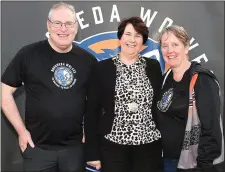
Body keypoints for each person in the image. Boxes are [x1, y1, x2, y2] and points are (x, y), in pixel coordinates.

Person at [1, 2, 97, 172]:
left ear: (76, 27)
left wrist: (88, 130)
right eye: (58, 23)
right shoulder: (28, 54)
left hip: (74, 150)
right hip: (37, 149)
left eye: (69, 24)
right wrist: (21, 131)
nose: (63, 29)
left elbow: (96, 102)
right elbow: (5, 91)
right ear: (48, 25)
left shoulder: (87, 60)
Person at [84, 16, 163, 172]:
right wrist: (92, 152)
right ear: (120, 37)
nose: (132, 40)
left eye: (138, 35)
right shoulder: (102, 69)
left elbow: (158, 106)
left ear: (143, 42)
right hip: (113, 148)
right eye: (128, 34)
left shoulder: (153, 67)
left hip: (149, 148)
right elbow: (91, 111)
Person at [156, 25, 224, 172]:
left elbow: (211, 131)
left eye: (175, 45)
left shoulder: (202, 80)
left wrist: (203, 166)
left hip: (193, 165)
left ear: (186, 48)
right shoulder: (165, 79)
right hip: (166, 161)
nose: (170, 51)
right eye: (165, 46)